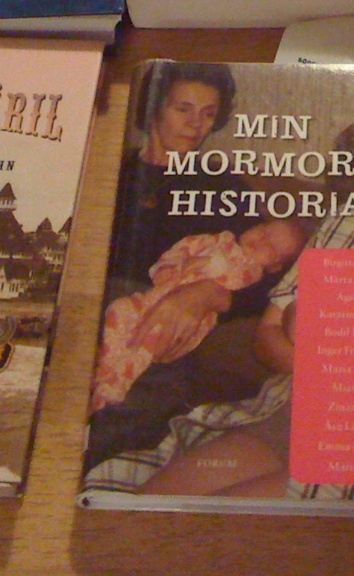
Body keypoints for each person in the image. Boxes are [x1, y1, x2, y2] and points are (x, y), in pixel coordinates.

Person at [82, 108, 354, 500]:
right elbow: (267, 335)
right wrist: (333, 367)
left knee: (222, 520)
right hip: (289, 410)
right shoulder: (342, 225)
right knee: (148, 504)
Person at [84, 62, 281, 471]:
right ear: (154, 108)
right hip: (99, 305)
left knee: (151, 393)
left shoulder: (222, 185)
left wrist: (209, 293)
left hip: (169, 328)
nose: (196, 125)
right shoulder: (111, 172)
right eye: (183, 109)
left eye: (208, 114)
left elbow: (275, 276)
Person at [90, 218, 308, 412]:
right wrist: (168, 266)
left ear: (275, 267)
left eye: (271, 247)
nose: (262, 241)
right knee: (120, 308)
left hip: (185, 324)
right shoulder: (218, 239)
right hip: (149, 294)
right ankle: (108, 360)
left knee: (147, 344)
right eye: (264, 231)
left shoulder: (251, 269)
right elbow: (184, 247)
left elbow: (236, 281)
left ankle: (114, 384)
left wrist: (211, 275)